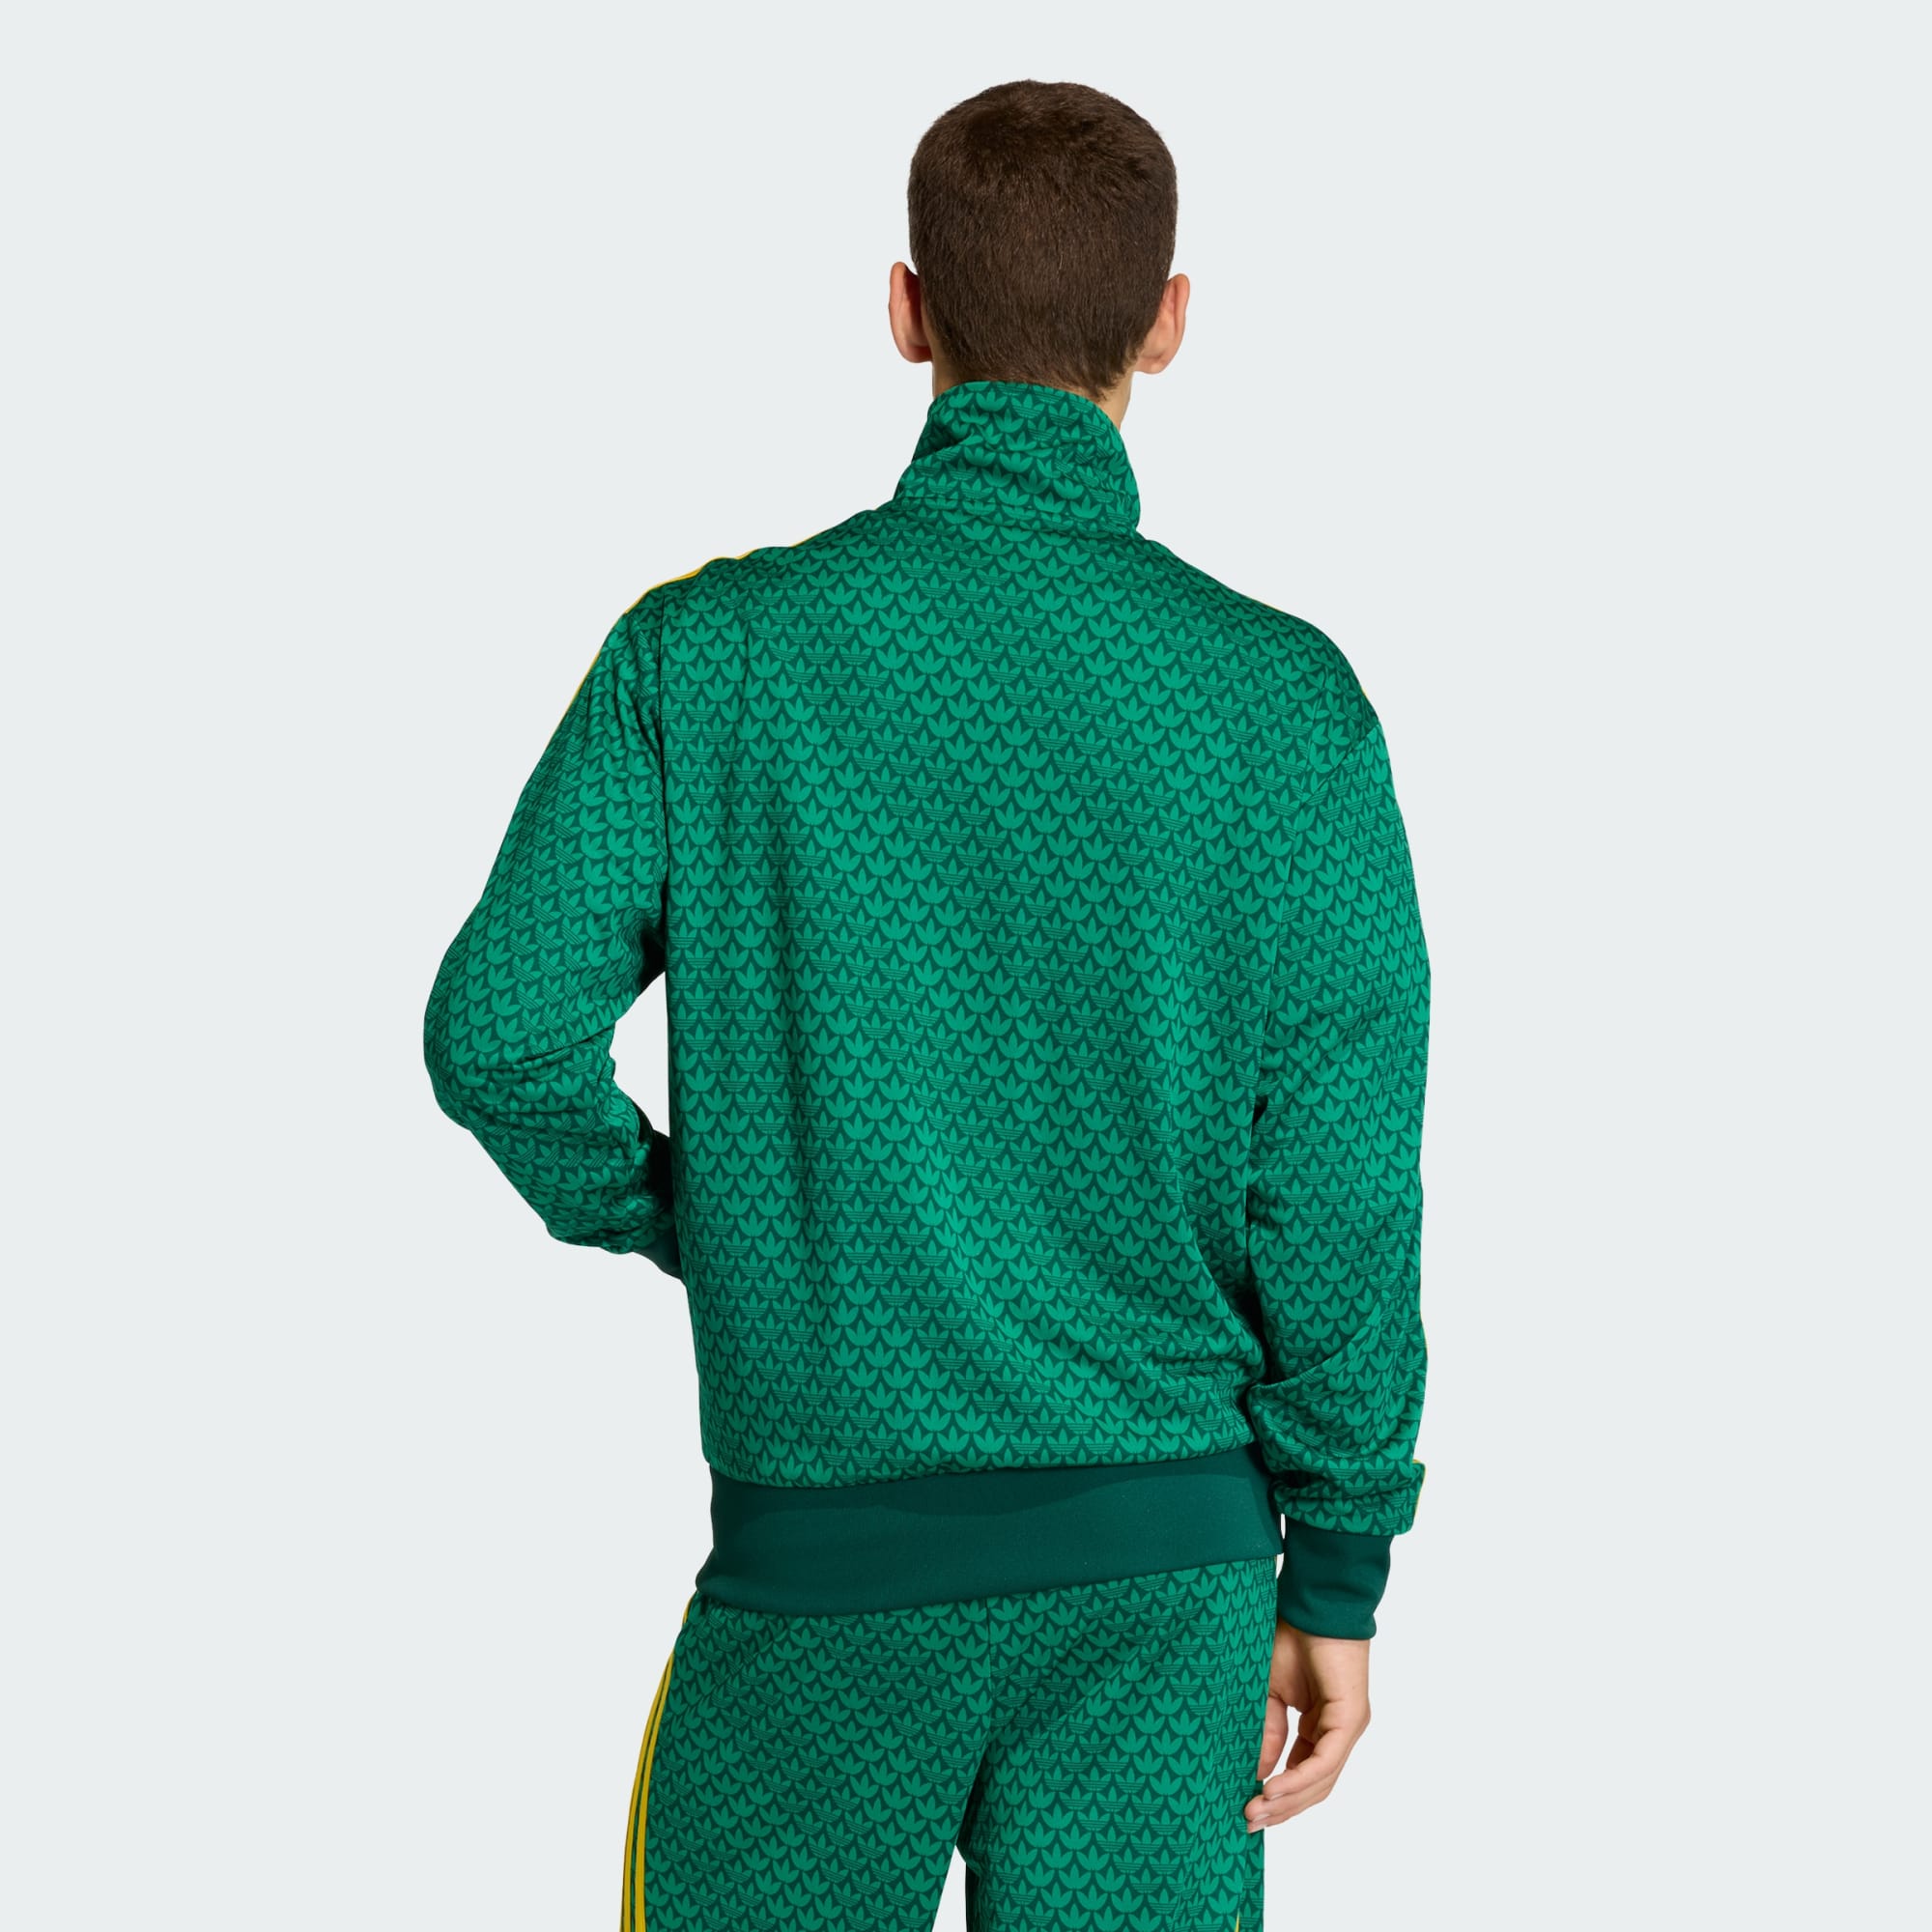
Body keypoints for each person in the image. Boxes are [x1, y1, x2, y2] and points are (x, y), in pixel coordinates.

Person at [424, 76, 1431, 1932]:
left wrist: (716, 1218)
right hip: (1171, 1593)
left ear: (907, 311)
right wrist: (1341, 1563)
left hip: (817, 1586)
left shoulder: (706, 654)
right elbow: (1342, 1189)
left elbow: (500, 1034)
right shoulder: (1290, 706)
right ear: (1167, 322)